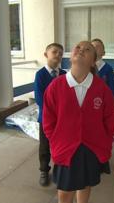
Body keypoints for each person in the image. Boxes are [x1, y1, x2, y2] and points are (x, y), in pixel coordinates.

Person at [43, 41, 114, 203]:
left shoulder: (102, 89)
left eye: (87, 49)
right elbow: (48, 120)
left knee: (85, 185)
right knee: (64, 191)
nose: (81, 50)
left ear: (93, 61)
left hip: (91, 148)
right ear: (70, 57)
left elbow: (110, 121)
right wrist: (56, 140)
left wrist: (104, 142)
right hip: (65, 147)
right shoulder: (56, 86)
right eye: (78, 47)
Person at [33, 43, 66, 186]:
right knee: (45, 146)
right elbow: (39, 98)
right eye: (54, 52)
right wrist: (53, 114)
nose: (58, 55)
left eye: (60, 53)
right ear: (46, 54)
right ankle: (44, 170)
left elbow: (67, 96)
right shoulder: (40, 75)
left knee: (61, 145)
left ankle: (60, 170)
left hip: (63, 119)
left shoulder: (65, 75)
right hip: (46, 118)